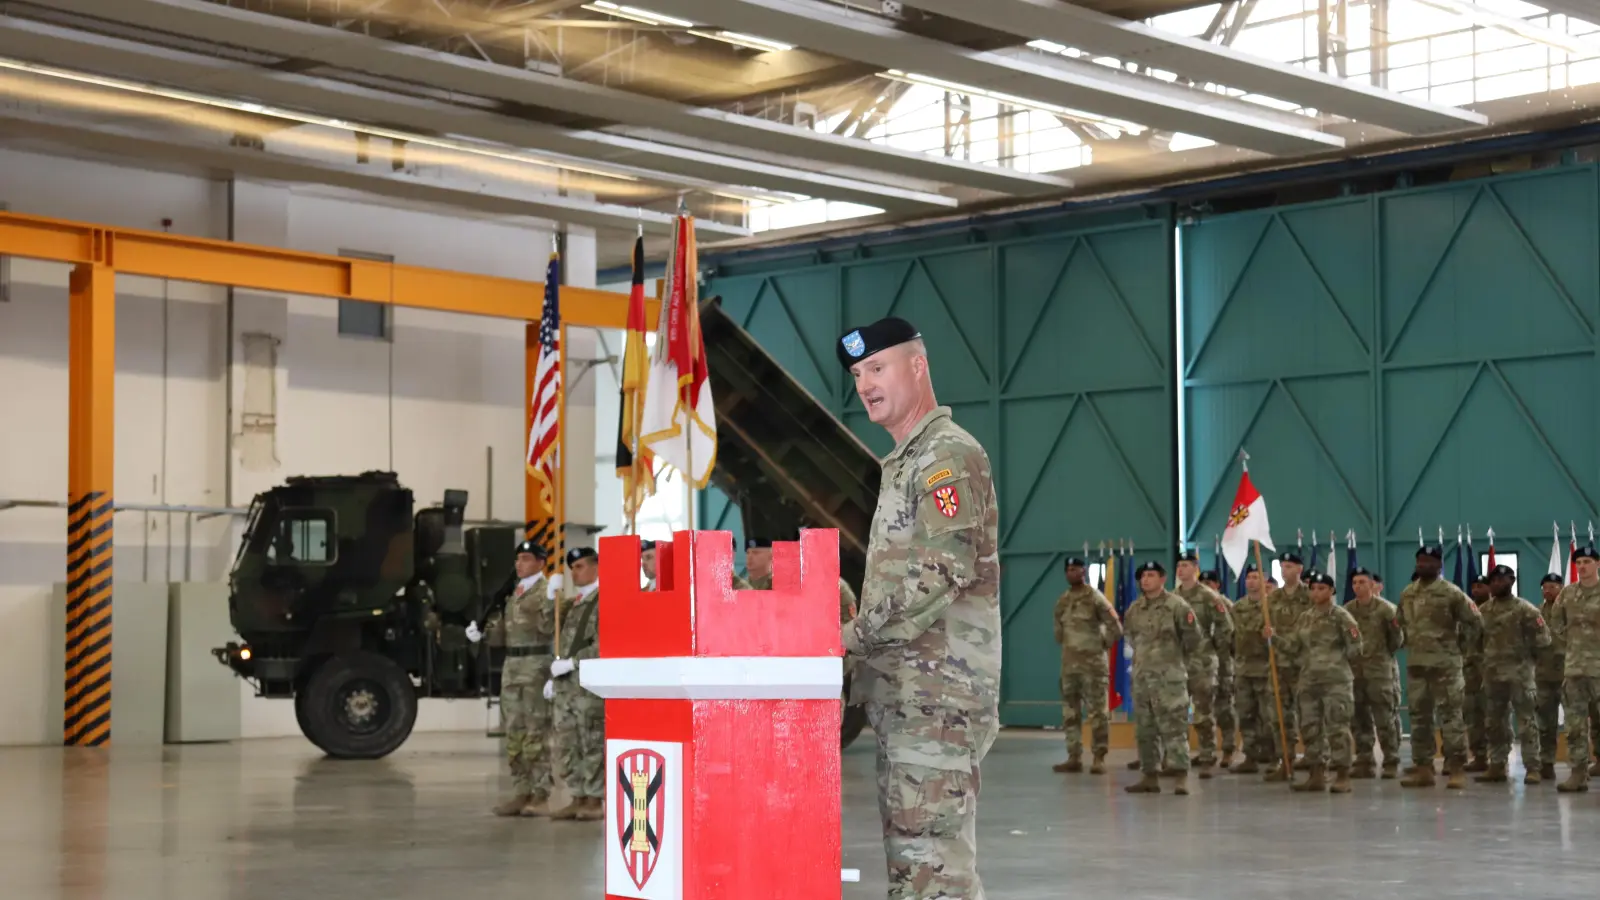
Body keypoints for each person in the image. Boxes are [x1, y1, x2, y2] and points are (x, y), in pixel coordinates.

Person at [835, 317, 1001, 900]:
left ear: (917, 366)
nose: (866, 384)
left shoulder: (945, 456)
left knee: (933, 873)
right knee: (916, 867)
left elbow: (939, 573)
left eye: (877, 367)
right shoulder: (907, 461)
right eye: (858, 374)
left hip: (939, 698)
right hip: (910, 698)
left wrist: (849, 636)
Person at [473, 539, 555, 817]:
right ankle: (522, 791)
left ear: (541, 563)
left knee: (536, 732)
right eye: (518, 558)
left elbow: (549, 628)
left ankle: (541, 794)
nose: (520, 564)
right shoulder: (512, 593)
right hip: (512, 665)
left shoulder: (546, 592)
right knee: (514, 733)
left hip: (536, 664)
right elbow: (502, 635)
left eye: (527, 559)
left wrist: (553, 602)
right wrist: (483, 630)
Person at [1397, 544, 1482, 789]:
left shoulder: (1451, 593)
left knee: (1451, 718)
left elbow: (1475, 622)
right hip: (1417, 666)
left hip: (1446, 666)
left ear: (1439, 565)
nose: (1424, 565)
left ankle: (1456, 768)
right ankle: (1423, 769)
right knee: (1419, 719)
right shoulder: (1408, 593)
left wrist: (1462, 649)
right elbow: (1401, 623)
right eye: (1420, 561)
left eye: (1429, 561)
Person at [1269, 571, 1361, 793]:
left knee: (1337, 728)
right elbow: (1293, 646)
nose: (1316, 592)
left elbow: (1356, 647)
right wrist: (1274, 638)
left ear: (1331, 591)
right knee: (1310, 727)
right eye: (1313, 588)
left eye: (1322, 588)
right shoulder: (1305, 617)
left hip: (1335, 681)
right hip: (1309, 680)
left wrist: (1335, 662)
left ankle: (1342, 774)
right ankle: (1316, 774)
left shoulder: (1341, 616)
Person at [1123, 559, 1202, 795]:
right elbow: (1130, 638)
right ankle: (1150, 776)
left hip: (1169, 680)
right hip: (1143, 680)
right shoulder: (1134, 610)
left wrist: (1173, 662)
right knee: (1145, 731)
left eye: (1151, 575)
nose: (1145, 580)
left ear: (1162, 578)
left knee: (1174, 729)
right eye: (1143, 576)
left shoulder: (1177, 606)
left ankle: (1180, 776)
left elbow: (1193, 639)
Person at [1476, 564, 1551, 785]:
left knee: (1527, 723)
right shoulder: (1483, 611)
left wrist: (1528, 660)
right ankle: (1497, 765)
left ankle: (1532, 767)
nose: (1498, 583)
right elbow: (1475, 641)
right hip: (1492, 676)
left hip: (1520, 676)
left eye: (1503, 579)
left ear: (1512, 580)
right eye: (1494, 580)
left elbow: (1544, 640)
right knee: (1495, 723)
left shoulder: (1526, 610)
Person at [546, 546, 605, 820]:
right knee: (568, 742)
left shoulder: (603, 600)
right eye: (573, 567)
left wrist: (574, 661)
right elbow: (554, 634)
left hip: (588, 684)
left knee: (590, 741)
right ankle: (578, 795)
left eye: (580, 566)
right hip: (567, 685)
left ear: (596, 567)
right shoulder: (574, 602)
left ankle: (594, 799)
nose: (575, 572)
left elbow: (605, 644)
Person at [1051, 556, 1122, 775]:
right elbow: (1058, 632)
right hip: (1070, 667)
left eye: (1077, 569)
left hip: (1093, 667)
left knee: (1098, 714)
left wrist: (1102, 645)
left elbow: (1115, 627)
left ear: (1084, 572)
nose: (1072, 573)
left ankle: (1099, 757)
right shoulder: (1062, 600)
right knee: (1070, 713)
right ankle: (1074, 756)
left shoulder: (1095, 598)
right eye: (1069, 569)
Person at [1173, 551, 1233, 778]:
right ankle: (1178, 757)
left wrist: (1214, 651)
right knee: (1177, 711)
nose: (1181, 569)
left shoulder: (1209, 597)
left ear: (1195, 568)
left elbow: (1225, 627)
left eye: (1186, 565)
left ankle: (1208, 755)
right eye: (1179, 565)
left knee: (1203, 712)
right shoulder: (1173, 597)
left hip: (1203, 663)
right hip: (1178, 663)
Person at [1344, 567, 1404, 779]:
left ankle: (1391, 760)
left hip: (1380, 673)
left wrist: (1381, 656)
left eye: (1362, 582)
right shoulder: (1348, 610)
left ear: (1372, 584)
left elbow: (1396, 639)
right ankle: (1364, 759)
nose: (1357, 586)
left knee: (1385, 718)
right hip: (1356, 673)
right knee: (1359, 719)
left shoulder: (1386, 610)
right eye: (1354, 583)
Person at [1230, 564, 1287, 778]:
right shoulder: (1237, 608)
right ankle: (1251, 757)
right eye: (1249, 577)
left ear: (1265, 582)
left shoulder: (1273, 607)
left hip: (1267, 668)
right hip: (1244, 669)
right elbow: (1231, 637)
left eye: (1257, 577)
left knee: (1270, 715)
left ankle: (1276, 758)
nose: (1252, 581)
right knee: (1246, 715)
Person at [1554, 546, 1600, 793]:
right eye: (1578, 562)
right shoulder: (1568, 594)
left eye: (1587, 561)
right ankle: (1578, 773)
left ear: (1597, 564)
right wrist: (1571, 646)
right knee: (1574, 725)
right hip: (1575, 670)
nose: (1582, 566)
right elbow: (1555, 623)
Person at [1266, 552, 1312, 772]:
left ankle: (1314, 759)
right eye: (1282, 567)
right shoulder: (1272, 598)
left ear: (1299, 570)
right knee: (1279, 716)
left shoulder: (1311, 595)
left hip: (1304, 664)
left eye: (1290, 566)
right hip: (1279, 664)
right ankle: (1286, 758)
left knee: (1309, 714)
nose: (1285, 571)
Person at [1199, 568, 1240, 769]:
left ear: (1218, 585)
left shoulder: (1225, 606)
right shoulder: (1192, 605)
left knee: (1224, 707)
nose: (1207, 587)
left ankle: (1229, 749)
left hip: (1223, 664)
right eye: (1203, 583)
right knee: (1203, 709)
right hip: (1201, 664)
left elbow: (1233, 637)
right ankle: (1206, 750)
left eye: (1210, 583)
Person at [1535, 572, 1566, 781]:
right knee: (1545, 723)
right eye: (1545, 587)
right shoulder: (1536, 613)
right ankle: (1547, 763)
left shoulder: (1570, 609)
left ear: (1561, 588)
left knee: (1576, 723)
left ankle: (1583, 765)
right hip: (1543, 675)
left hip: (1569, 673)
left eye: (1553, 587)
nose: (1548, 591)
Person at [1463, 574, 1491, 773]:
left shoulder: (1496, 610)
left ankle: (1498, 759)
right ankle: (1479, 756)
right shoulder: (1466, 612)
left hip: (1492, 672)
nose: (1476, 590)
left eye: (1480, 586)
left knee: (1494, 718)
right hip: (1469, 673)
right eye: (1473, 586)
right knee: (1472, 717)